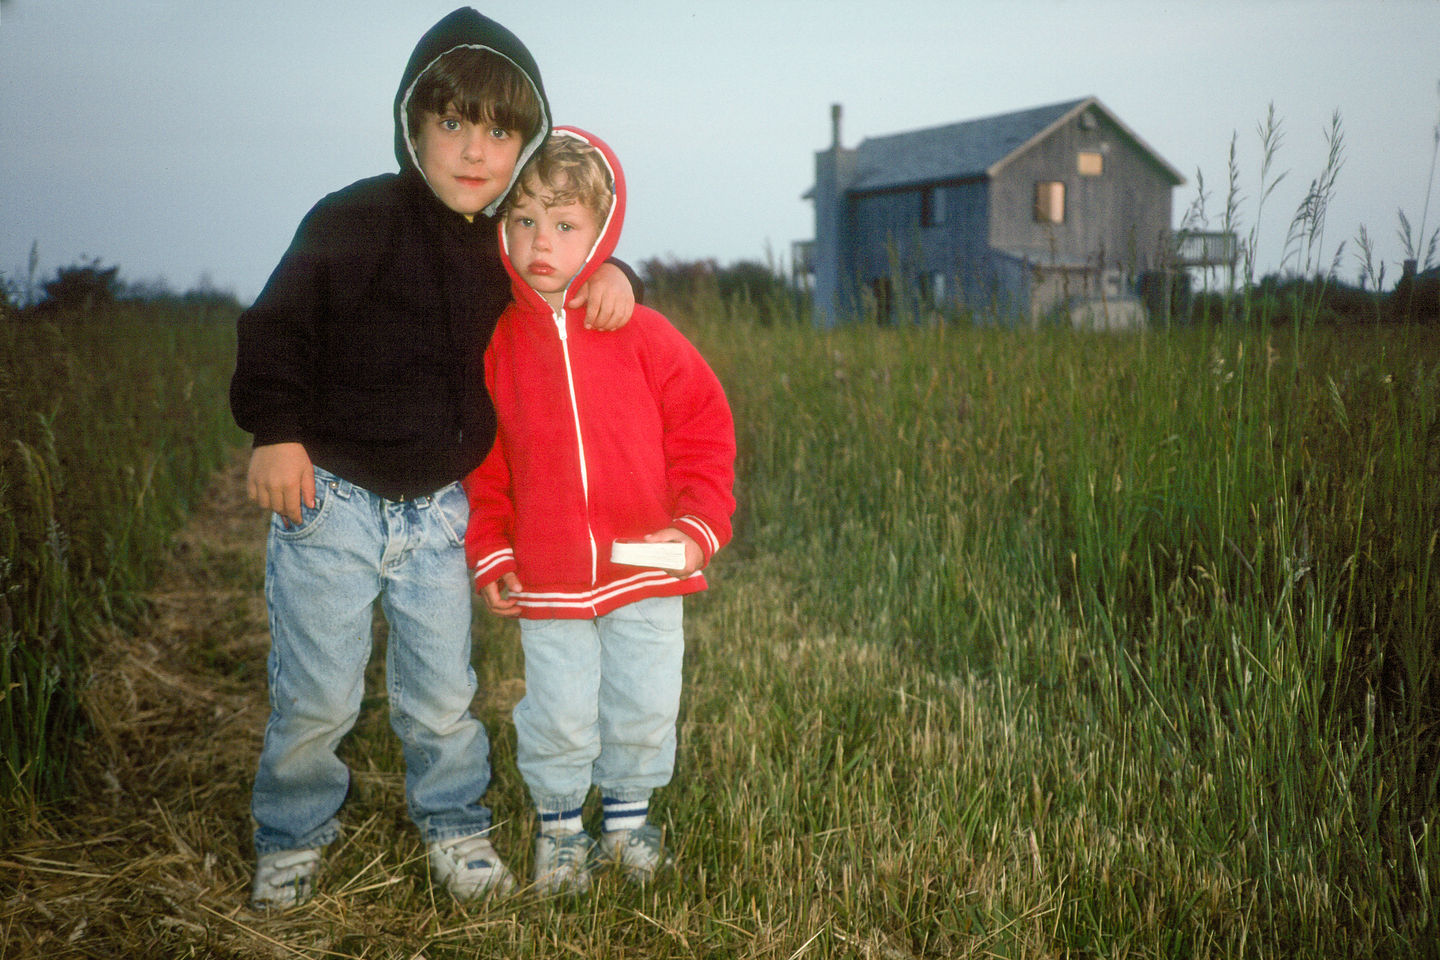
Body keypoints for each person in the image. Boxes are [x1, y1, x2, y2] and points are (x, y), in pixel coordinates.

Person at [228, 9, 642, 910]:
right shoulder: (352, 219)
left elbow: (575, 252)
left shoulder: (511, 244)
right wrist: (277, 431)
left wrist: (618, 276)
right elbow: (275, 331)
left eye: (500, 129)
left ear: (527, 141)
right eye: (451, 121)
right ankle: (293, 834)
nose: (474, 150)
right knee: (318, 697)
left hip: (440, 510)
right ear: (411, 124)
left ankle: (456, 826)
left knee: (440, 695)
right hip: (328, 500)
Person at [464, 128, 736, 894]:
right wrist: (493, 548)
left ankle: (627, 820)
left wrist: (697, 528)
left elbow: (704, 430)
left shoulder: (641, 331)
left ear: (602, 232)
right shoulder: (496, 345)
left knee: (646, 699)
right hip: (549, 573)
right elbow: (484, 468)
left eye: (564, 224)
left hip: (643, 564)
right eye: (522, 221)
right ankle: (559, 831)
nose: (539, 242)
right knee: (557, 710)